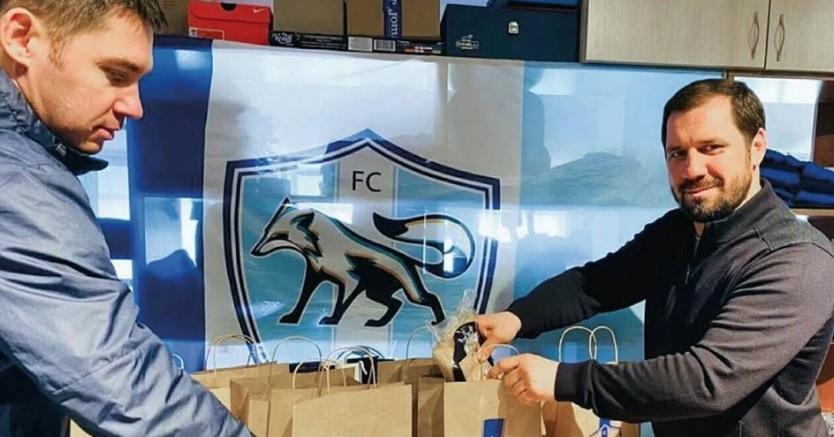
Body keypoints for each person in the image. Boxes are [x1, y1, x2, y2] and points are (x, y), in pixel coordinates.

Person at [480, 79, 834, 436]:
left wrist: (563, 379)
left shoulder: (797, 260)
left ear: (756, 147)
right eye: (677, 153)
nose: (692, 169)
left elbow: (706, 381)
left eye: (711, 148)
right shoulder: (679, 232)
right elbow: (596, 285)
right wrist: (517, 317)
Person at [0, 1, 250, 435]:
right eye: (115, 75)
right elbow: (119, 376)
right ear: (22, 37)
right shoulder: (16, 179)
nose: (135, 107)